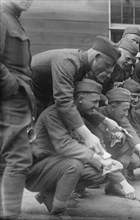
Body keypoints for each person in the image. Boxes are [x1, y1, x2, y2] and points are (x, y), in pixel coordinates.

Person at [25, 79, 127, 218]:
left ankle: (48, 195)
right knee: (74, 165)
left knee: (99, 172)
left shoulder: (78, 116)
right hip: (34, 171)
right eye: (94, 101)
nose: (96, 106)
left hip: (54, 166)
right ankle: (59, 211)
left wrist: (110, 165)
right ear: (80, 99)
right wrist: (98, 158)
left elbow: (83, 145)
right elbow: (65, 145)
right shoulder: (54, 114)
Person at [31, 35, 123, 157]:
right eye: (106, 65)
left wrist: (105, 121)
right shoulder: (68, 62)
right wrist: (87, 136)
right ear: (97, 57)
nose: (107, 72)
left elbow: (80, 103)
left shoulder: (81, 68)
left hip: (39, 97)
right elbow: (64, 101)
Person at [0, 0, 34, 219]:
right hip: (11, 96)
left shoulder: (13, 19)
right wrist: (12, 86)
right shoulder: (2, 17)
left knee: (5, 160)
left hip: (17, 96)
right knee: (19, 158)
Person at [92, 88, 140, 185]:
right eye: (124, 110)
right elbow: (100, 151)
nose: (126, 114)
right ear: (113, 107)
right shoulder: (95, 118)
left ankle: (114, 181)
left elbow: (131, 133)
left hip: (110, 151)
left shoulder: (119, 115)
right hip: (96, 155)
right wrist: (122, 183)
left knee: (135, 159)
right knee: (97, 176)